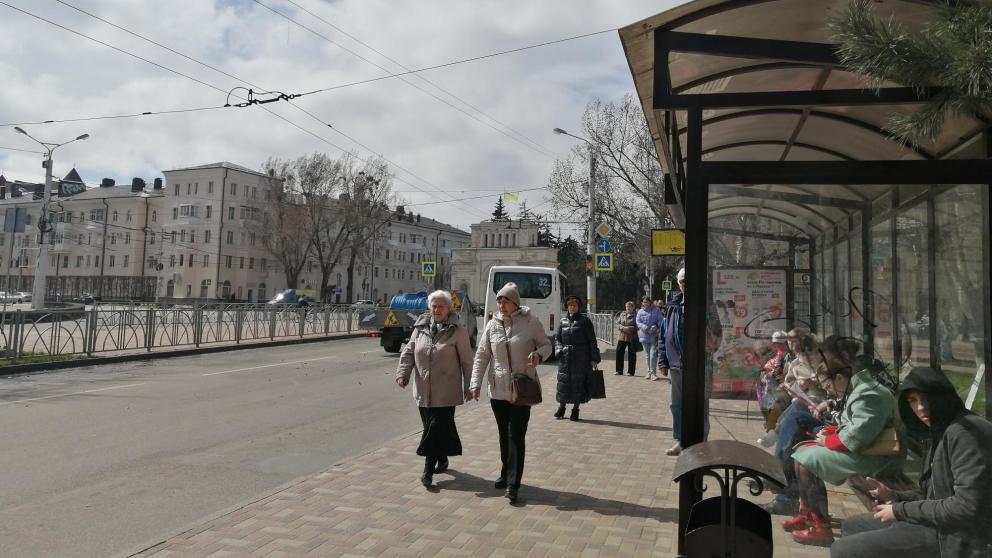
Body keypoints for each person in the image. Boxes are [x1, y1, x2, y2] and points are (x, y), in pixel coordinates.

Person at [830, 367, 992, 558]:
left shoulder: (965, 433)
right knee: (852, 525)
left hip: (958, 538)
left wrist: (900, 510)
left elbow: (966, 506)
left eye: (926, 398)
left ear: (942, 396)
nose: (921, 408)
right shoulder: (941, 428)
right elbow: (932, 493)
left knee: (843, 550)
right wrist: (896, 496)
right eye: (913, 401)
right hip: (941, 525)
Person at [787, 335, 900, 546]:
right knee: (802, 452)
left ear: (839, 378)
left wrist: (826, 441)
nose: (828, 390)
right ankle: (814, 515)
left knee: (805, 459)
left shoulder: (868, 395)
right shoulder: (860, 390)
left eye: (828, 385)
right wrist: (830, 434)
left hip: (876, 458)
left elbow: (856, 439)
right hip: (867, 452)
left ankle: (821, 526)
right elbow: (856, 428)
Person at [469, 282, 553, 503]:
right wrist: (474, 383)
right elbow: (482, 355)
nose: (501, 304)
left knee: (516, 435)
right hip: (497, 389)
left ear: (516, 303)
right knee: (503, 434)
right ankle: (506, 471)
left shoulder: (530, 321)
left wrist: (538, 355)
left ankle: (514, 483)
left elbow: (547, 345)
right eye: (499, 300)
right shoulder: (491, 325)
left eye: (506, 300)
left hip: (522, 387)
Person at [395, 290, 474, 488]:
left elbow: (467, 362)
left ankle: (427, 471)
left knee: (434, 429)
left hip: (446, 391)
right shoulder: (420, 328)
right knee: (430, 429)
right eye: (434, 306)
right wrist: (402, 374)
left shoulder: (458, 331)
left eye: (441, 306)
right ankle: (442, 458)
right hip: (423, 390)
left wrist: (470, 386)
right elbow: (409, 352)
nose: (437, 310)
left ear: (449, 308)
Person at [658, 267, 723, 456]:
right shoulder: (673, 305)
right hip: (676, 365)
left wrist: (706, 349)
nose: (685, 284)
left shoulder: (707, 305)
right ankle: (680, 439)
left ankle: (701, 442)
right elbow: (664, 335)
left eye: (688, 281)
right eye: (682, 281)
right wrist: (663, 360)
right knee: (677, 404)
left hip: (699, 365)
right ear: (679, 284)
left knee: (699, 403)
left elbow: (717, 334)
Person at [554, 294, 601, 421]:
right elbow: (557, 338)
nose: (572, 307)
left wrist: (594, 358)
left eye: (574, 305)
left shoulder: (585, 321)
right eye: (570, 305)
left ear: (578, 307)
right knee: (564, 384)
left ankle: (575, 409)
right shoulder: (562, 321)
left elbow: (592, 340)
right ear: (567, 307)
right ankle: (561, 408)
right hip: (566, 358)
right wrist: (559, 350)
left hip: (581, 357)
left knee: (578, 384)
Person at [756, 330, 790, 447]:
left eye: (780, 343)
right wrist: (765, 372)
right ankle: (771, 431)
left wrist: (770, 374)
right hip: (774, 387)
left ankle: (772, 434)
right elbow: (768, 369)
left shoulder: (788, 355)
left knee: (775, 409)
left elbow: (780, 372)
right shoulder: (776, 354)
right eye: (776, 343)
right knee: (768, 407)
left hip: (784, 387)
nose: (777, 346)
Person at [636, 296, 662, 381]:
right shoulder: (640, 311)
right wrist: (646, 328)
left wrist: (655, 328)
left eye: (646, 302)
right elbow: (638, 322)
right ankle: (648, 372)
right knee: (647, 355)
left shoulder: (656, 310)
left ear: (650, 302)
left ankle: (653, 373)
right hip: (644, 335)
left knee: (653, 355)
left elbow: (660, 321)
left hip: (654, 335)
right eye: (643, 302)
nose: (645, 303)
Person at [614, 301, 638, 376]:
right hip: (622, 337)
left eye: (629, 307)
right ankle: (619, 370)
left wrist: (631, 328)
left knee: (632, 355)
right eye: (626, 307)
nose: (628, 308)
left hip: (632, 337)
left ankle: (630, 372)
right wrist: (623, 327)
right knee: (619, 353)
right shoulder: (622, 314)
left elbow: (638, 325)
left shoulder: (636, 315)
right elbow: (617, 323)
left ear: (633, 307)